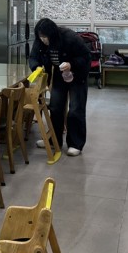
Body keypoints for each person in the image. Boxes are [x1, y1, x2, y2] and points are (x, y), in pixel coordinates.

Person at [28, 18, 91, 156]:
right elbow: (33, 57)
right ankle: (53, 140)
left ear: (52, 34)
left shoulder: (70, 38)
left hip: (77, 75)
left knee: (75, 109)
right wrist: (36, 67)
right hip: (59, 75)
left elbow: (86, 57)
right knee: (55, 107)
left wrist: (71, 64)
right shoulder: (40, 41)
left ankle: (75, 144)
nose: (43, 40)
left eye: (45, 37)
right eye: (41, 37)